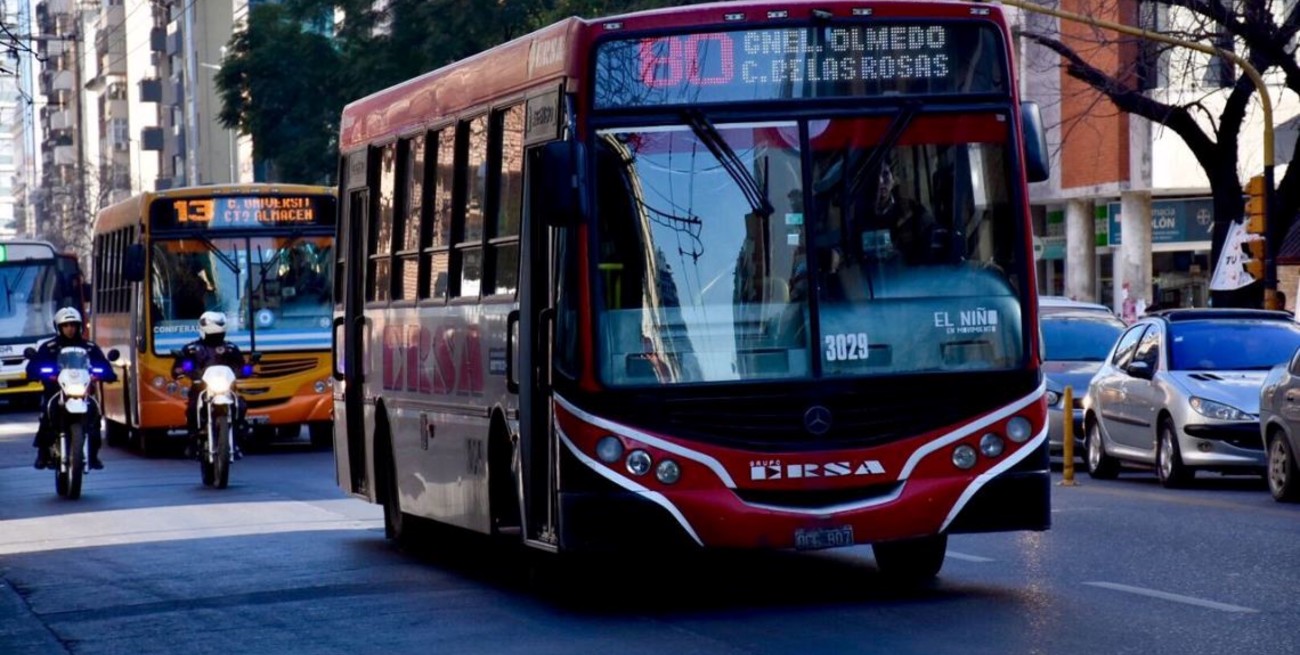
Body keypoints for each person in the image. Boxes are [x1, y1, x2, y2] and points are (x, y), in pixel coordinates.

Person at [27, 307, 118, 470]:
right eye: (66, 325)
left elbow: (105, 367)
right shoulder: (49, 347)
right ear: (59, 327)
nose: (70, 329)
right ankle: (42, 453)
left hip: (82, 392)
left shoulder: (89, 347)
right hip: (55, 391)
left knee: (94, 416)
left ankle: (93, 455)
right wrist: (45, 373)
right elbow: (33, 367)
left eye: (73, 325)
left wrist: (103, 374)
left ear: (79, 326)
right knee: (46, 415)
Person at [171, 311, 250, 459]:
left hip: (226, 389)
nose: (216, 338)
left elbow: (241, 365)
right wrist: (182, 369)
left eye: (219, 335)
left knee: (241, 405)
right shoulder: (191, 349)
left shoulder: (231, 349)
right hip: (201, 388)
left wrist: (247, 369)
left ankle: (237, 438)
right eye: (213, 335)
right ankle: (193, 439)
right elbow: (178, 368)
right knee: (192, 408)